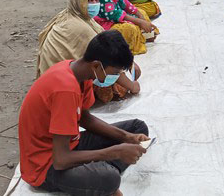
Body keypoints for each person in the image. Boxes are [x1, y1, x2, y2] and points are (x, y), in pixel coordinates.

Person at [19, 30, 150, 195]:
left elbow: (85, 118)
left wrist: (126, 137)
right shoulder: (65, 90)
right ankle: (100, 172)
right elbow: (60, 160)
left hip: (70, 145)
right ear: (96, 65)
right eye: (114, 73)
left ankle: (98, 168)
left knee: (138, 128)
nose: (116, 78)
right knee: (110, 178)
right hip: (45, 165)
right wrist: (115, 152)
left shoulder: (81, 72)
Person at [36, 0, 141, 103]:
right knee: (112, 89)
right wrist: (132, 86)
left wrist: (130, 62)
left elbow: (107, 42)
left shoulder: (80, 16)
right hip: (58, 83)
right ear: (78, 1)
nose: (95, 3)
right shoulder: (78, 27)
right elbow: (107, 56)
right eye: (90, 0)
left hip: (61, 73)